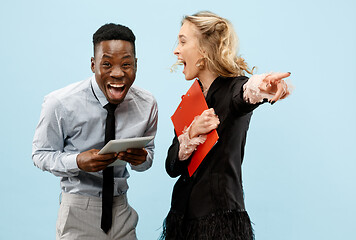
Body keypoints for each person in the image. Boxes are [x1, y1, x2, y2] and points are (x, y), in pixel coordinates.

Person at [161, 11, 291, 240]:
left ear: (204, 49)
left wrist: (264, 86)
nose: (176, 50)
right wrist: (191, 133)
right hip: (181, 222)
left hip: (220, 225)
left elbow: (245, 94)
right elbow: (172, 167)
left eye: (183, 41)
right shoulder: (190, 100)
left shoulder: (234, 89)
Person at [32, 23, 158, 240]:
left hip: (122, 210)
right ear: (93, 64)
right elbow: (40, 154)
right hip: (78, 211)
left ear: (136, 65)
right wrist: (77, 161)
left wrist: (142, 159)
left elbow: (149, 157)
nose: (118, 73)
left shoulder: (147, 104)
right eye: (107, 64)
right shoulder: (60, 103)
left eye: (126, 64)